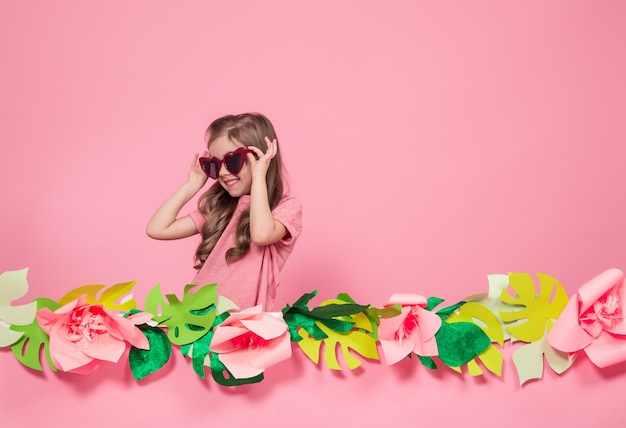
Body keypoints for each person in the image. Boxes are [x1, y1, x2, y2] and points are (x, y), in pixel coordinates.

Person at [146, 113, 302, 311]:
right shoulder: (220, 207)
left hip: (243, 324)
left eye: (233, 161)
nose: (222, 172)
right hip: (197, 318)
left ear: (261, 157)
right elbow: (157, 229)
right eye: (214, 165)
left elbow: (261, 235)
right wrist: (191, 185)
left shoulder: (286, 208)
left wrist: (258, 176)